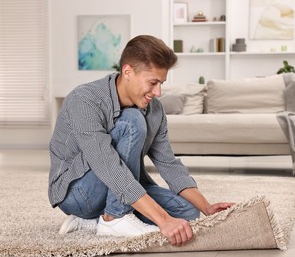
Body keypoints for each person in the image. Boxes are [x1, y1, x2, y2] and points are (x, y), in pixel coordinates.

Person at [48, 35, 234, 246]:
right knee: (131, 121)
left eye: (161, 83)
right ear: (128, 72)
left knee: (187, 213)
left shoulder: (154, 110)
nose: (158, 92)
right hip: (78, 193)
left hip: (125, 183)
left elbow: (169, 164)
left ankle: (97, 220)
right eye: (153, 83)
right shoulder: (85, 100)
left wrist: (206, 207)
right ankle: (114, 218)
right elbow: (108, 166)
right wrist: (163, 220)